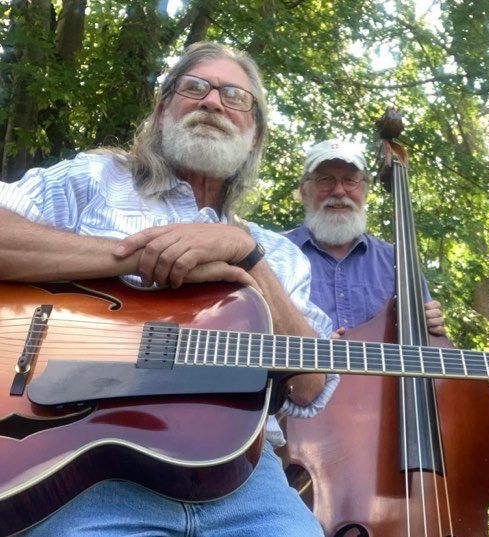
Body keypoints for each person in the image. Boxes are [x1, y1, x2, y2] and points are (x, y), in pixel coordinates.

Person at [0, 42, 336, 537]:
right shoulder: (93, 178)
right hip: (81, 471)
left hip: (245, 484)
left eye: (233, 96)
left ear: (255, 133)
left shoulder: (278, 254)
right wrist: (135, 256)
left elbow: (307, 387)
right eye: (194, 88)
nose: (212, 102)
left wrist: (245, 254)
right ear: (161, 112)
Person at [284, 138, 444, 335]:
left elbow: (424, 347)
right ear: (305, 191)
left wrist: (429, 325)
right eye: (325, 179)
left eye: (350, 181)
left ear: (365, 191)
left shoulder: (397, 261)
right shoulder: (275, 253)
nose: (339, 191)